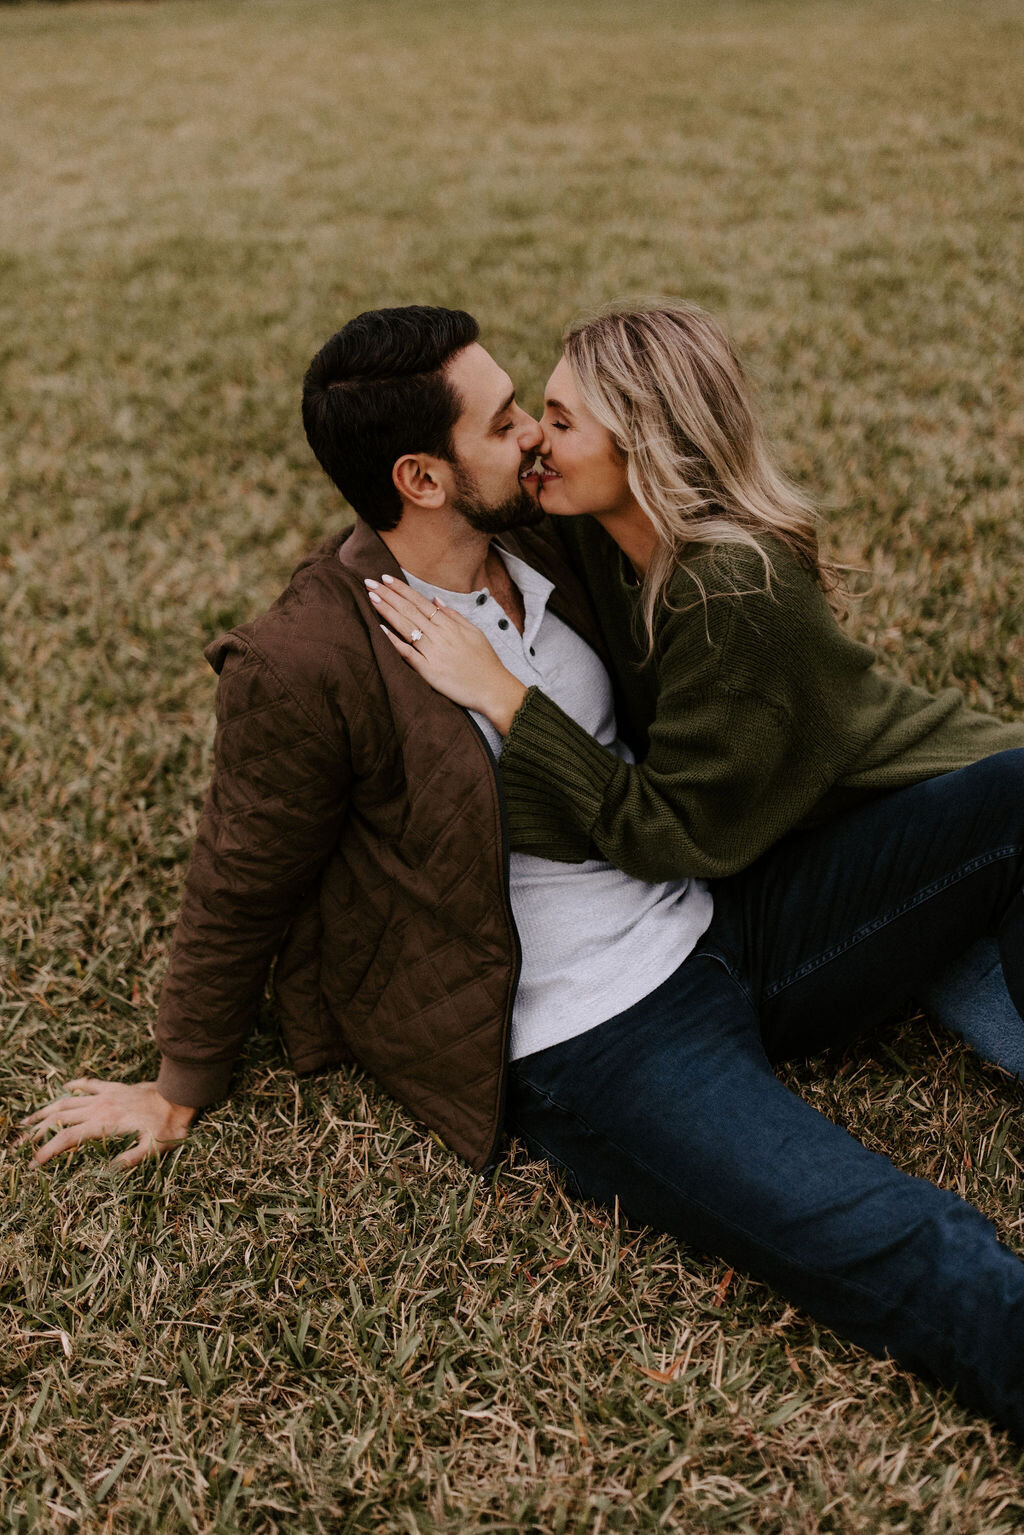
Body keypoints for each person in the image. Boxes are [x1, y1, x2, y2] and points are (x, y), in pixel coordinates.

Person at [20, 306, 1024, 1440]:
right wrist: (180, 1078)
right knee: (888, 1231)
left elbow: (693, 594)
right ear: (424, 476)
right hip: (602, 1033)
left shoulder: (551, 538)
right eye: (505, 425)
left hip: (721, 915)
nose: (535, 442)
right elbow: (238, 875)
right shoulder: (311, 658)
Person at [369, 300, 1024, 1069]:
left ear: (643, 447)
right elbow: (428, 516)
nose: (534, 439)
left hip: (942, 811)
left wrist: (509, 701)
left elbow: (675, 836)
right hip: (812, 842)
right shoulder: (597, 534)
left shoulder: (732, 590)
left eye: (560, 420)